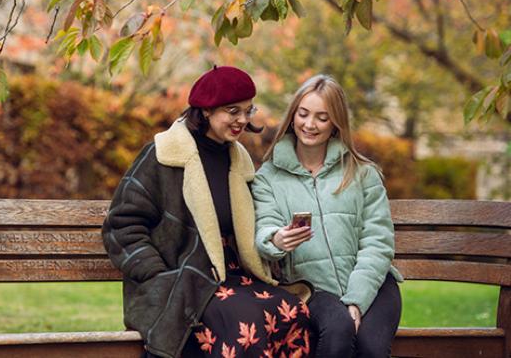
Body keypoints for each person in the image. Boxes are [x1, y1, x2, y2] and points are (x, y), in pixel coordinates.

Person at [102, 66, 313, 358]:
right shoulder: (163, 155)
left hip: (233, 276)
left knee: (293, 312)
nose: (242, 120)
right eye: (232, 111)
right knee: (246, 323)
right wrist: (159, 274)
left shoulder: (239, 160)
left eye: (247, 111)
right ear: (206, 111)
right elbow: (121, 226)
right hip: (182, 279)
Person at [252, 75, 403, 358]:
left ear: (336, 123)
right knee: (337, 334)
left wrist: (356, 301)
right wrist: (277, 239)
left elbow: (378, 242)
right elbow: (264, 228)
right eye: (304, 114)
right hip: (313, 290)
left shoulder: (362, 174)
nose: (310, 125)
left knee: (370, 348)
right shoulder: (267, 178)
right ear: (293, 115)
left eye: (322, 117)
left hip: (374, 284)